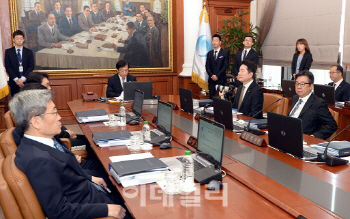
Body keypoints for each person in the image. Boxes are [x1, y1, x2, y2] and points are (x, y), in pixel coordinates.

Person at [9, 89, 129, 219]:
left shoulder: (42, 140)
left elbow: (67, 172)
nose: (59, 117)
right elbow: (58, 211)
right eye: (54, 112)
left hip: (89, 191)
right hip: (91, 206)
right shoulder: (39, 161)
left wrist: (89, 178)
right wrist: (105, 209)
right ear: (36, 122)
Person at [289, 71, 337, 140]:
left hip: (304, 140)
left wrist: (313, 137)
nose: (298, 87)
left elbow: (332, 125)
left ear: (311, 86)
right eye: (297, 84)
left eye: (302, 84)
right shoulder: (295, 98)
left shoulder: (319, 103)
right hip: (289, 135)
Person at [4, 30, 34, 96]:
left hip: (26, 82)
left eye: (21, 38)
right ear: (14, 39)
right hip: (14, 82)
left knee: (27, 102)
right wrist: (17, 80)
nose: (19, 40)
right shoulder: (8, 52)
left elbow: (31, 66)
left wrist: (23, 79)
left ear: (23, 40)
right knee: (15, 103)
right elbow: (8, 66)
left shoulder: (29, 52)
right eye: (17, 38)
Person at [205, 34, 230, 99]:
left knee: (221, 99)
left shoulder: (225, 53)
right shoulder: (209, 53)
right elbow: (207, 66)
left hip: (221, 79)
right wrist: (212, 75)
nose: (214, 42)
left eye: (216, 41)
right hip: (211, 80)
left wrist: (217, 76)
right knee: (211, 98)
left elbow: (225, 66)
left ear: (220, 42)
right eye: (213, 41)